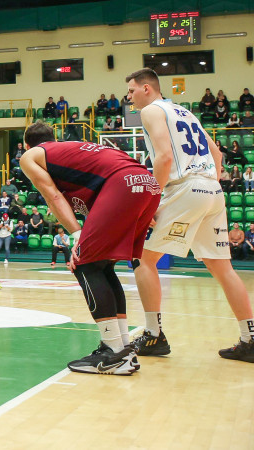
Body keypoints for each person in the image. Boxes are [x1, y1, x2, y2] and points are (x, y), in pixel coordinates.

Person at [124, 68, 254, 362]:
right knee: (223, 269)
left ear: (147, 88)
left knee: (143, 259)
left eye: (132, 91)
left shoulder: (151, 112)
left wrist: (152, 200)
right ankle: (250, 338)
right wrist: (209, 182)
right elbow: (217, 155)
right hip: (212, 189)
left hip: (185, 188)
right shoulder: (185, 112)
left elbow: (165, 157)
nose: (128, 97)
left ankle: (154, 336)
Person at [20, 121, 160, 375]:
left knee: (84, 263)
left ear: (26, 144)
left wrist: (76, 235)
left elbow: (52, 196)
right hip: (145, 182)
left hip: (122, 184)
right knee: (103, 265)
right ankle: (124, 348)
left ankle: (112, 352)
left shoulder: (32, 155)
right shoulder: (73, 152)